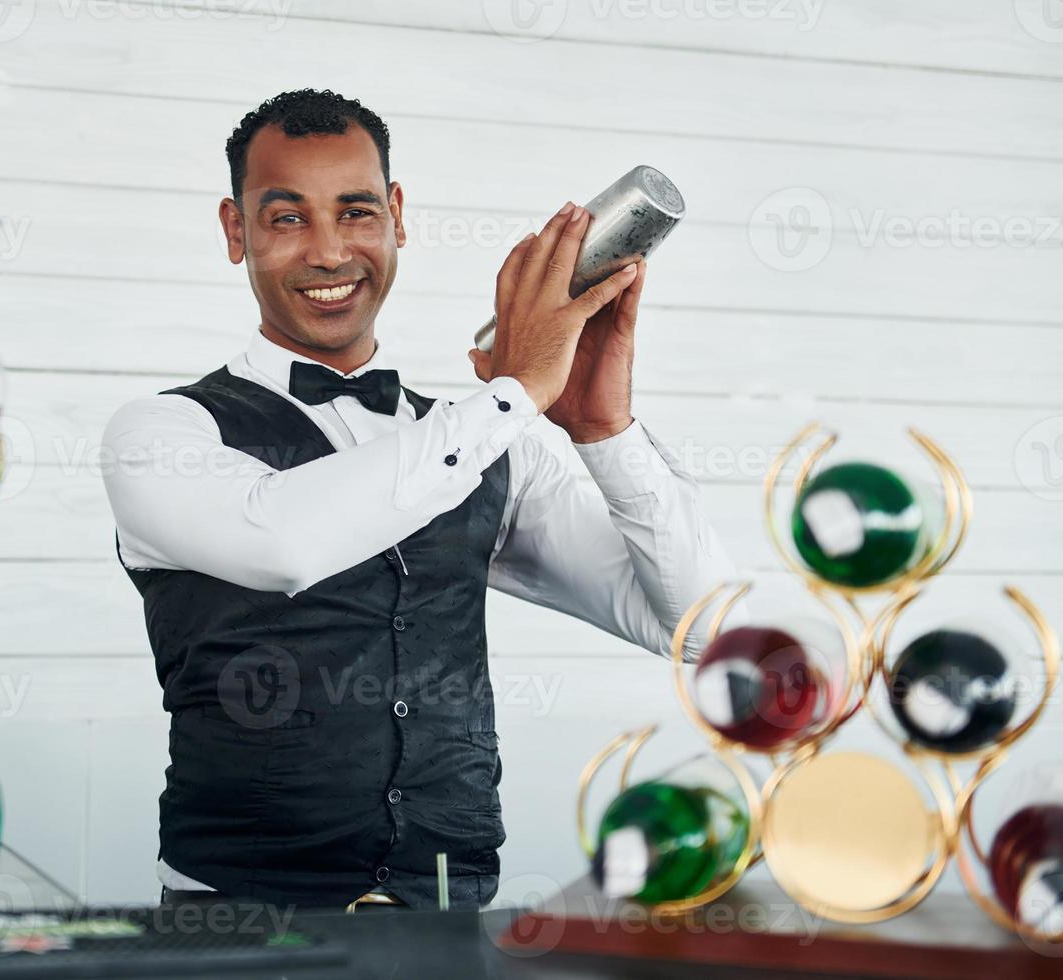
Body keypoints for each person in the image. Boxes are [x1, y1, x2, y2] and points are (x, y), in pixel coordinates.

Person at [101, 89, 738, 912]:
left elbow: (706, 631)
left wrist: (604, 430)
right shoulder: (160, 432)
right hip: (237, 917)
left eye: (357, 212)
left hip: (446, 913)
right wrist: (513, 393)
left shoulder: (482, 440)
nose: (330, 252)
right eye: (287, 217)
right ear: (236, 230)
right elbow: (284, 544)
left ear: (397, 216)